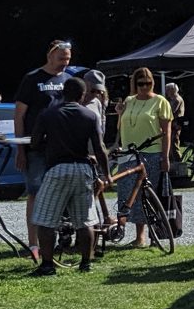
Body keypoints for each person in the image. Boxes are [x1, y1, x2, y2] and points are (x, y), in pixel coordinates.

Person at [14, 39, 86, 257]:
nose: (65, 63)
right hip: (35, 146)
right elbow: (19, 114)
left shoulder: (68, 80)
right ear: (50, 55)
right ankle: (34, 244)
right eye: (61, 58)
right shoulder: (32, 79)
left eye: (68, 59)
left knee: (63, 192)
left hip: (62, 146)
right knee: (35, 192)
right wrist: (20, 148)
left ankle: (60, 241)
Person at [31, 73, 107, 275]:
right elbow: (99, 148)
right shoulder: (90, 116)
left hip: (58, 168)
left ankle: (47, 265)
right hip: (83, 169)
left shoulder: (48, 114)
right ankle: (86, 263)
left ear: (63, 93)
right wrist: (106, 174)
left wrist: (49, 143)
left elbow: (35, 142)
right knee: (85, 220)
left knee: (45, 219)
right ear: (83, 95)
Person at [117, 68, 174, 247]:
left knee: (150, 195)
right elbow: (121, 126)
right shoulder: (128, 101)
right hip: (129, 153)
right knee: (130, 195)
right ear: (135, 84)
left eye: (148, 83)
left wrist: (165, 156)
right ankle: (139, 236)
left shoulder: (160, 101)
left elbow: (167, 131)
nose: (144, 87)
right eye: (141, 83)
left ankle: (155, 236)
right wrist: (119, 113)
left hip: (152, 152)